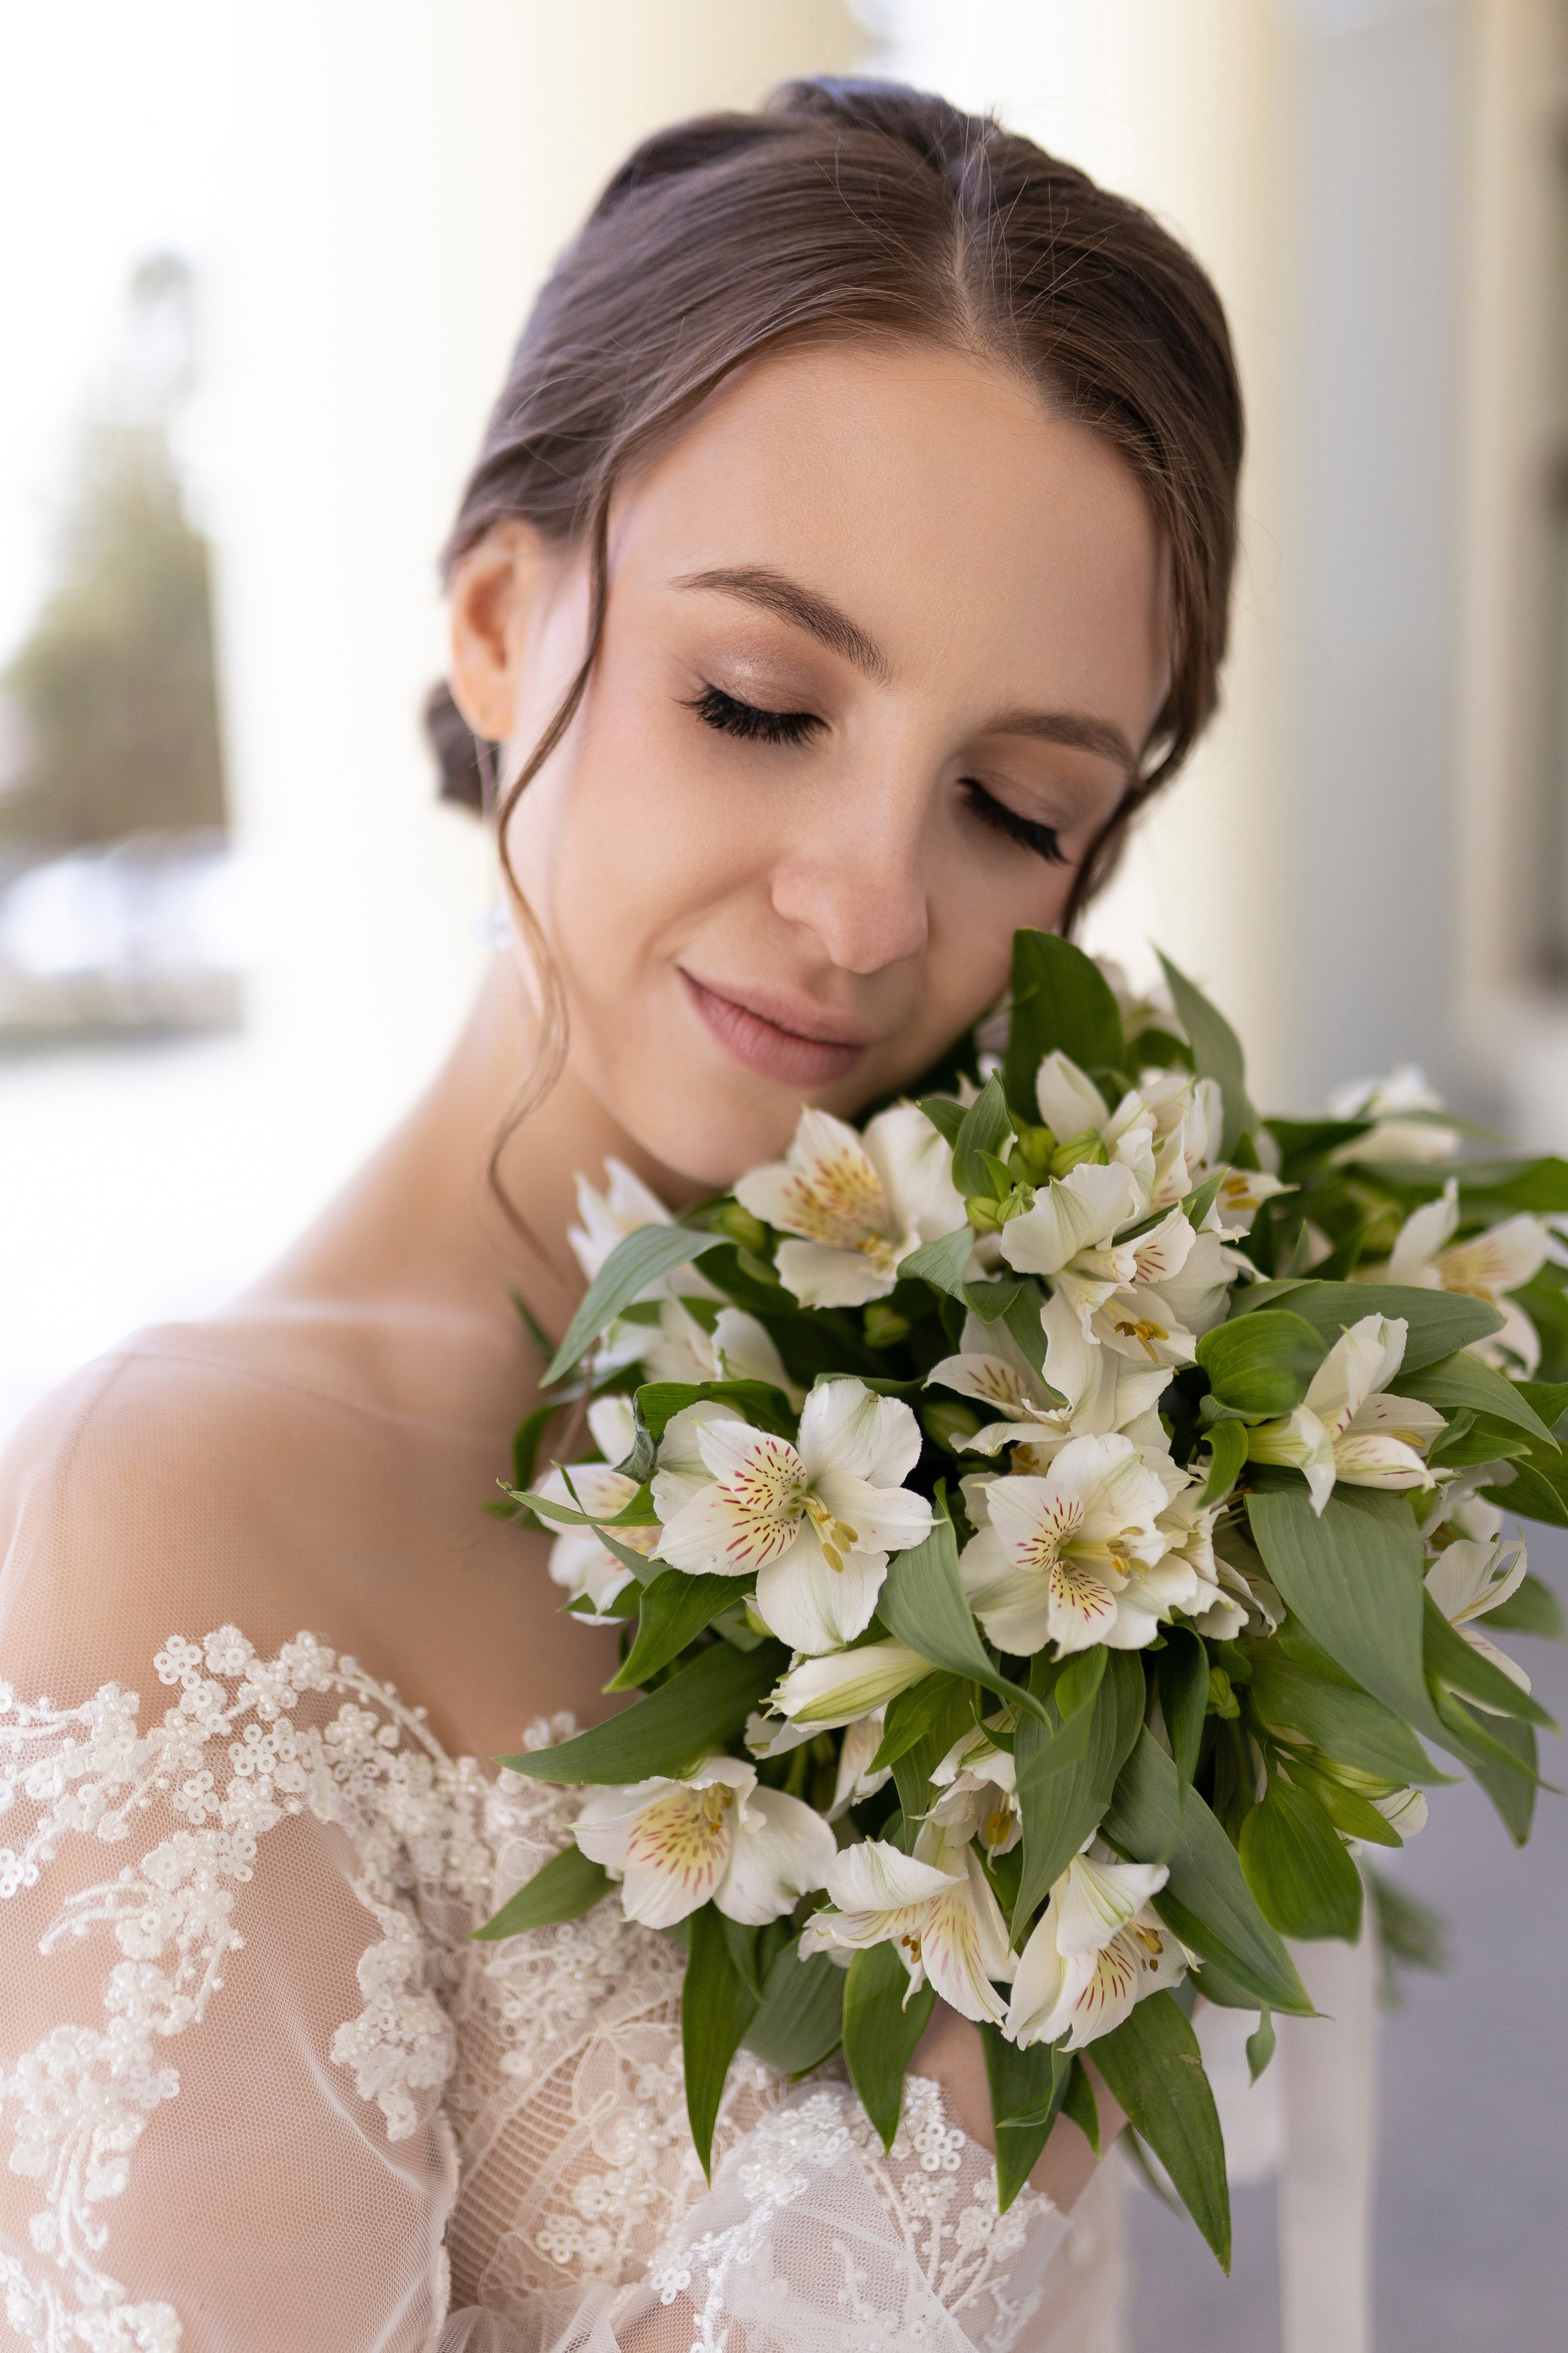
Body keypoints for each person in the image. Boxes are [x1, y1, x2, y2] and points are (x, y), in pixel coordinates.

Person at [0, 79, 1242, 2353]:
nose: (870, 902)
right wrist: (981, 2090)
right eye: (759, 701)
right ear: (499, 622)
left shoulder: (1019, 1468)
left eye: (1011, 802)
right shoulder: (172, 1519)